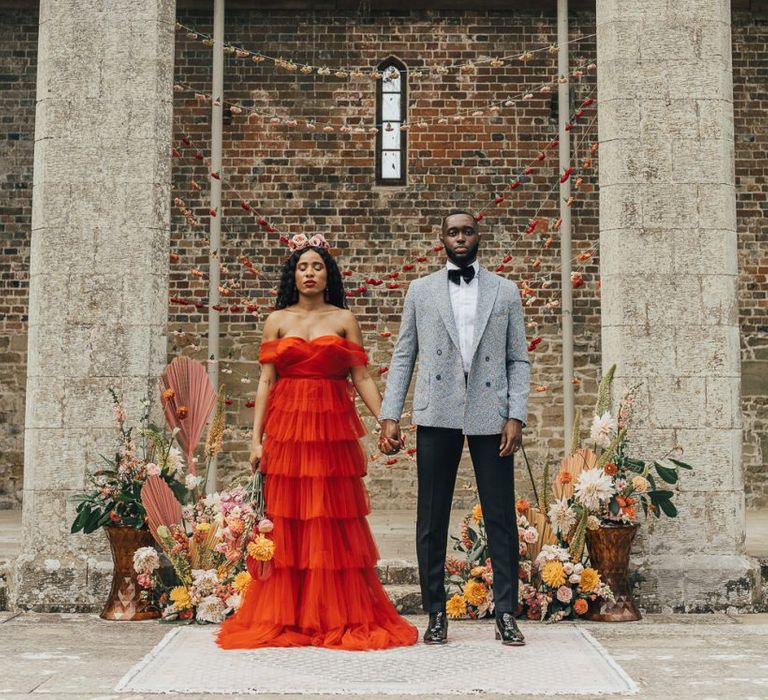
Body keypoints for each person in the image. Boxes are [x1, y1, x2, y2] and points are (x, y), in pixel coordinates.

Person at [217, 233, 417, 651]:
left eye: (317, 266)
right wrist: (256, 441)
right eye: (302, 266)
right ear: (294, 274)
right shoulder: (277, 320)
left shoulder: (344, 318)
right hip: (288, 429)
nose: (310, 273)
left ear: (328, 274)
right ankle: (290, 614)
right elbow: (266, 380)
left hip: (331, 427)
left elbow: (360, 376)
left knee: (330, 517)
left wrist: (386, 421)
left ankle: (334, 612)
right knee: (288, 518)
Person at [379, 211, 530, 646]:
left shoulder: (505, 291)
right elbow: (404, 355)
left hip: (491, 413)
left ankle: (505, 612)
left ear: (478, 236)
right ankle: (436, 614)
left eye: (467, 231)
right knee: (431, 516)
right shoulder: (420, 290)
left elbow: (517, 359)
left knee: (501, 515)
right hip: (436, 410)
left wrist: (515, 414)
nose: (460, 238)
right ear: (441, 238)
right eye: (452, 232)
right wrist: (391, 414)